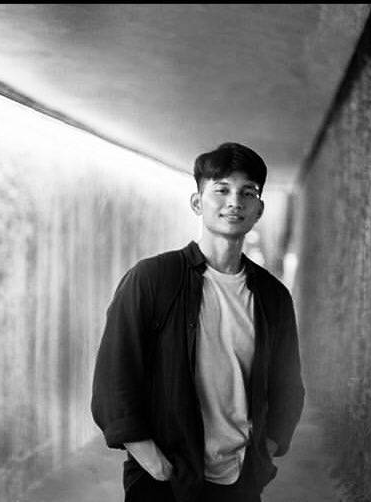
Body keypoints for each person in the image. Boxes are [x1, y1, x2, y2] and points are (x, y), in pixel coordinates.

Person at [91, 142, 305, 502]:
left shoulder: (273, 296)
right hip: (165, 482)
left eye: (247, 192)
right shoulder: (153, 278)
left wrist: (264, 451)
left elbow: (288, 385)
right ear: (197, 202)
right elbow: (115, 374)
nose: (234, 201)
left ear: (259, 209)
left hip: (240, 481)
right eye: (221, 189)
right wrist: (154, 462)